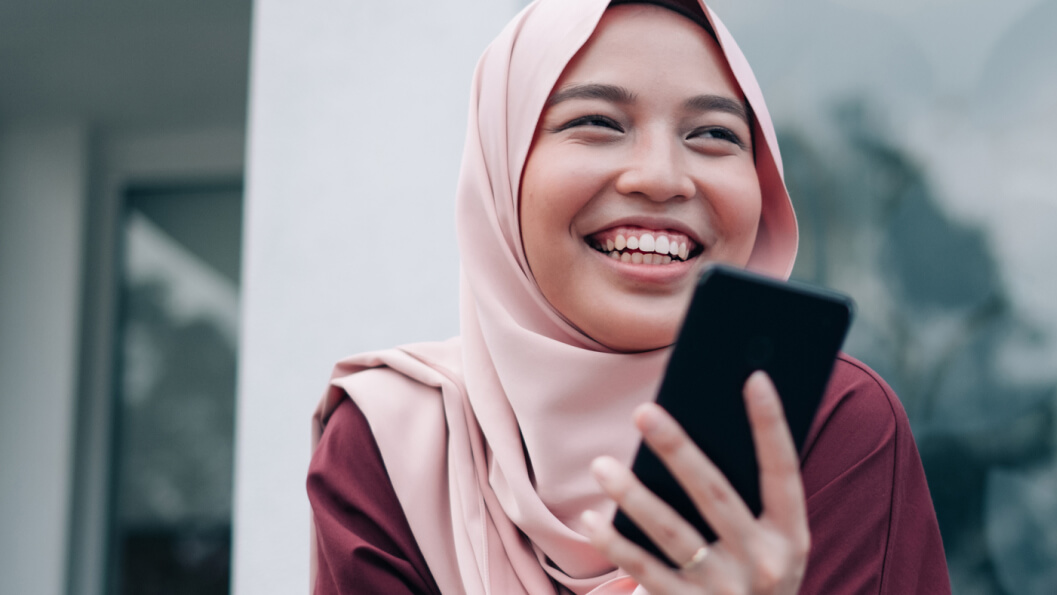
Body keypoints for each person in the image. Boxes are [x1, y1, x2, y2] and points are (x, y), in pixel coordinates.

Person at [305, 1, 950, 593]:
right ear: (501, 173)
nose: (661, 178)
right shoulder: (395, 443)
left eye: (714, 135)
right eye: (597, 122)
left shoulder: (820, 424)